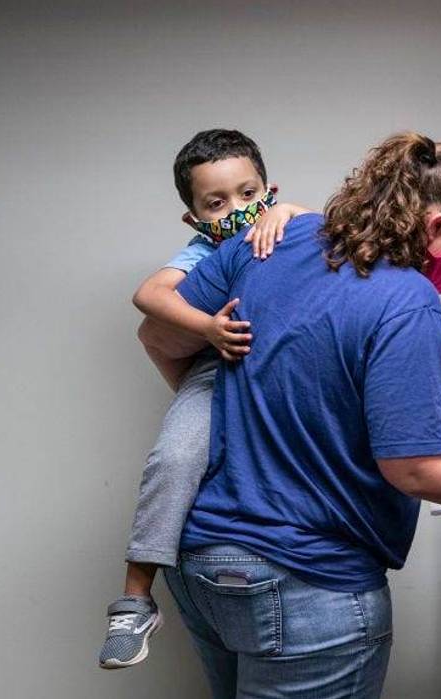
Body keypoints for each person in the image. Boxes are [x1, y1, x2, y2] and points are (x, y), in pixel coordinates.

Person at [137, 132, 441, 698]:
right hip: (305, 581)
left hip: (205, 563)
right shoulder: (407, 302)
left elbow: (159, 335)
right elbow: (415, 468)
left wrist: (236, 416)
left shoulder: (271, 239)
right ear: (438, 228)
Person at [98, 129, 313, 669]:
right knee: (173, 459)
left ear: (269, 190)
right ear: (195, 219)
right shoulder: (199, 251)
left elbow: (319, 227)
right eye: (216, 203)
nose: (238, 210)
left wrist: (286, 210)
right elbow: (147, 297)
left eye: (248, 194)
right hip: (216, 370)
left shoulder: (289, 223)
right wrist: (209, 329)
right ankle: (135, 599)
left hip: (282, 375)